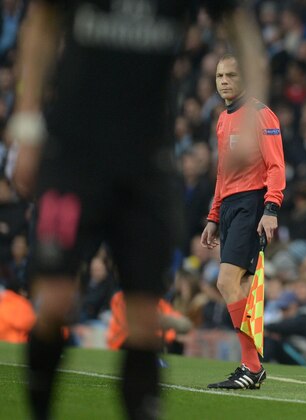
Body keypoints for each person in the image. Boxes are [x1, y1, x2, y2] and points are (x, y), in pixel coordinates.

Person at [8, 2, 267, 419]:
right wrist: (26, 120)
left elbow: (241, 26)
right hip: (73, 157)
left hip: (147, 165)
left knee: (145, 315)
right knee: (54, 300)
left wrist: (254, 110)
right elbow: (41, 22)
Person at [201, 54, 285, 389]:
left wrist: (271, 208)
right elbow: (223, 172)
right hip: (231, 206)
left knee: (227, 282)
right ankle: (251, 367)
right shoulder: (223, 119)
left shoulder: (261, 114)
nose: (223, 81)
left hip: (253, 203)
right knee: (244, 288)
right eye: (220, 75)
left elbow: (277, 166)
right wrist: (213, 215)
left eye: (231, 75)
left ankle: (251, 365)